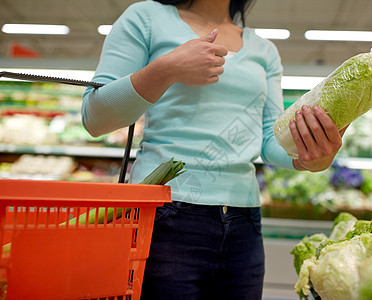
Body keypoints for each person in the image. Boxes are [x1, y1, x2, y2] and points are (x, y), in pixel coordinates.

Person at [82, 0, 346, 299]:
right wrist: (166, 69)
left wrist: (312, 158)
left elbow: (269, 141)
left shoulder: (265, 50)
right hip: (164, 215)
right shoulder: (146, 18)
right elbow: (95, 118)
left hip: (244, 223)